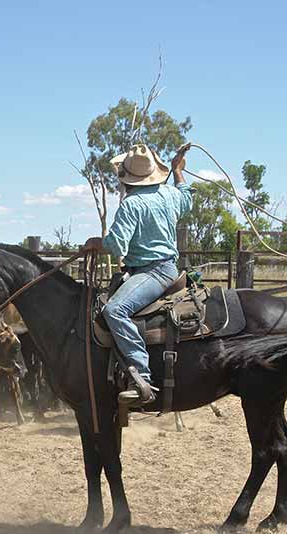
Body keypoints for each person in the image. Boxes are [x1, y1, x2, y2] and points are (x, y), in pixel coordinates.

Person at [80, 143, 193, 406]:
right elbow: (186, 199)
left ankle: (141, 375)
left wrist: (97, 242)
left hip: (151, 272)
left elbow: (118, 245)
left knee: (115, 311)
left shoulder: (132, 204)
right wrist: (178, 171)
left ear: (126, 177)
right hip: (166, 268)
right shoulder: (168, 194)